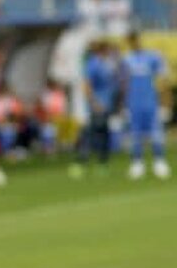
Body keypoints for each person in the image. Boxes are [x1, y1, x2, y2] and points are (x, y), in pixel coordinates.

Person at [121, 32, 170, 180]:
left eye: (136, 40)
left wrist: (164, 101)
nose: (134, 43)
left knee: (156, 132)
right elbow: (123, 83)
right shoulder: (126, 59)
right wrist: (123, 104)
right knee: (135, 134)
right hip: (133, 103)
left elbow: (163, 79)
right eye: (131, 41)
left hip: (150, 101)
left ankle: (159, 161)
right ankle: (137, 163)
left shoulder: (153, 57)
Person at [72, 40, 117, 178]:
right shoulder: (93, 64)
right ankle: (81, 162)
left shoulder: (105, 64)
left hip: (106, 104)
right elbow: (87, 85)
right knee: (91, 133)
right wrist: (94, 102)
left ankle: (102, 163)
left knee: (103, 133)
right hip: (98, 105)